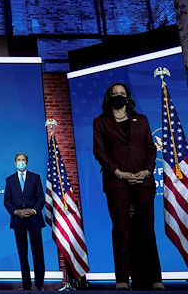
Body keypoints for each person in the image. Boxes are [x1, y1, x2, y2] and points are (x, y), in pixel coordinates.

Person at [92, 82, 163, 291]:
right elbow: (100, 152)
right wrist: (119, 173)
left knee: (147, 230)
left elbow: (151, 147)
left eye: (122, 94)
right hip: (117, 183)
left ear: (128, 97)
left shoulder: (141, 120)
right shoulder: (100, 122)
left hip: (143, 181)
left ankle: (155, 279)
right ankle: (122, 279)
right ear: (109, 97)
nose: (119, 97)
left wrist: (147, 171)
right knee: (121, 230)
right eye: (115, 94)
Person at [3, 152, 46, 291]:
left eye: (23, 160)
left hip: (33, 218)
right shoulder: (9, 180)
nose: (21, 162)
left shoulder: (35, 177)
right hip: (18, 219)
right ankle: (26, 285)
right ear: (15, 163)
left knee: (37, 252)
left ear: (27, 162)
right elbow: (7, 201)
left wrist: (32, 211)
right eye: (18, 160)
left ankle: (39, 285)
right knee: (23, 253)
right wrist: (16, 212)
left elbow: (41, 198)